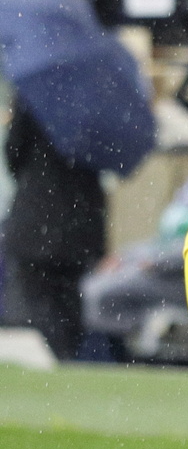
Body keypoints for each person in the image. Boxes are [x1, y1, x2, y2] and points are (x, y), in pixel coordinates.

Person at [3, 97, 109, 360]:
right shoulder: (99, 101)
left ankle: (46, 357)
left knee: (33, 299)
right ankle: (65, 357)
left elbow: (14, 152)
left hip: (35, 217)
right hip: (81, 219)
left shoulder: (35, 95)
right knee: (68, 300)